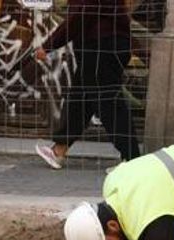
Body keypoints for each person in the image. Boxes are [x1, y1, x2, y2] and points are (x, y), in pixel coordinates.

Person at [34, 0, 140, 170]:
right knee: (80, 99)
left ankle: (132, 161)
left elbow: (80, 15)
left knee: (108, 101)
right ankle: (59, 150)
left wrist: (49, 46)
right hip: (100, 45)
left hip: (101, 46)